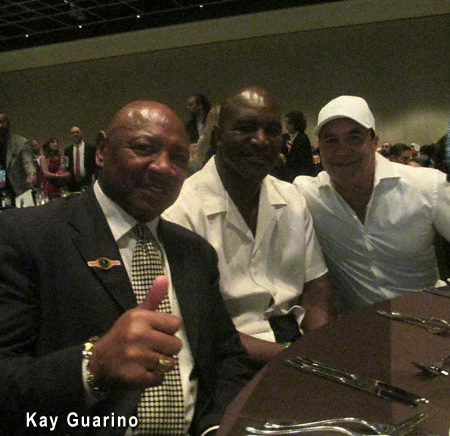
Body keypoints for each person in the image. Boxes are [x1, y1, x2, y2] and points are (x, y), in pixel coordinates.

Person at [0, 100, 253, 435]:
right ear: (102, 150)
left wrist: (216, 427)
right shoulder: (28, 236)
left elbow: (226, 359)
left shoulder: (195, 253)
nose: (164, 167)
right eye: (144, 148)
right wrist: (92, 367)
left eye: (178, 157)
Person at [164, 86, 336, 366]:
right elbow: (198, 324)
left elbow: (316, 286)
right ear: (219, 136)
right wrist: (295, 356)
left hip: (297, 343)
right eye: (245, 128)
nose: (261, 141)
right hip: (227, 356)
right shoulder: (181, 209)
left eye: (271, 130)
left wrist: (322, 347)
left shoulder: (291, 197)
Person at [294, 95, 450, 315]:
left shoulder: (427, 186)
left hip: (429, 322)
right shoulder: (307, 193)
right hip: (359, 331)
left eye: (354, 138)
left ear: (374, 141)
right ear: (319, 146)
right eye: (331, 140)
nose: (342, 151)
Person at [0, 112, 36, 199]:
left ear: (8, 123)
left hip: (18, 190)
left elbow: (28, 162)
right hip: (2, 188)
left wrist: (31, 174)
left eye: (2, 122)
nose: (0, 126)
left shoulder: (21, 142)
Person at [274, 110, 317, 182]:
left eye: (288, 123)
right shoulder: (287, 137)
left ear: (295, 124)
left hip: (300, 174)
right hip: (290, 173)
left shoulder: (302, 138)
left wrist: (285, 159)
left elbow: (300, 160)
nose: (286, 126)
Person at [64, 125, 97, 192]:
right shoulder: (67, 150)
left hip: (89, 182)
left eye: (77, 132)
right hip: (73, 184)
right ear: (70, 136)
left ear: (81, 134)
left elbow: (95, 165)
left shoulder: (91, 148)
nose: (75, 134)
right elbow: (66, 166)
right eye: (72, 133)